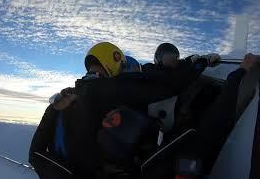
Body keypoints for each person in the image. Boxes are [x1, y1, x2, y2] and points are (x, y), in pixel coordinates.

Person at [28, 42, 222, 179]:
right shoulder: (108, 88)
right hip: (105, 174)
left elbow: (34, 153)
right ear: (112, 61)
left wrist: (52, 109)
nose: (121, 70)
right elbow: (167, 87)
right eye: (120, 65)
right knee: (189, 137)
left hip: (80, 172)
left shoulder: (68, 97)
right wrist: (198, 63)